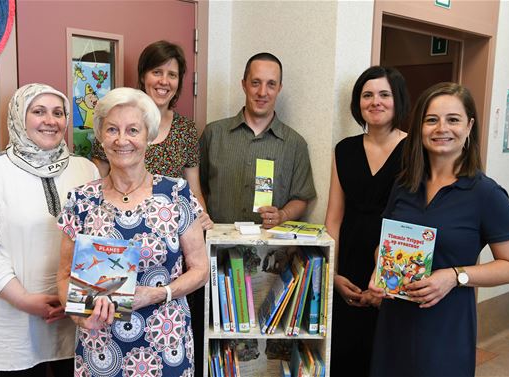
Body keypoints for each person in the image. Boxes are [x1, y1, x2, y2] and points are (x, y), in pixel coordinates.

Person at [368, 82, 509, 377]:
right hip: (394, 323)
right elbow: (385, 244)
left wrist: (454, 276)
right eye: (432, 120)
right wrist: (378, 269)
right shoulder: (404, 184)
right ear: (420, 128)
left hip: (445, 328)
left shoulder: (486, 194)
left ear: (469, 126)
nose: (442, 128)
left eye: (453, 119)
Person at [57, 87, 209, 377]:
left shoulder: (176, 193)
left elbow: (200, 270)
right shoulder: (81, 199)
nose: (122, 139)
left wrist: (156, 294)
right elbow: (63, 276)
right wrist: (78, 315)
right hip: (100, 348)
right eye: (112, 129)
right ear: (101, 136)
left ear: (148, 136)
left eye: (133, 130)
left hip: (165, 342)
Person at [0, 84, 100, 376]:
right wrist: (25, 301)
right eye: (38, 112)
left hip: (75, 316)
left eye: (58, 112)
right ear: (19, 117)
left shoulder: (86, 169)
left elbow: (96, 240)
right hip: (13, 319)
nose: (50, 120)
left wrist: (75, 298)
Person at [324, 66, 410, 376]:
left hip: (393, 266)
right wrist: (332, 273)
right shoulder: (344, 149)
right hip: (348, 262)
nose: (375, 101)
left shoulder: (415, 151)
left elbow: (415, 223)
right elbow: (333, 217)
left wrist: (386, 278)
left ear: (397, 100)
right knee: (345, 352)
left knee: (385, 355)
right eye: (367, 95)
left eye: (384, 94)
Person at [91, 40, 213, 230]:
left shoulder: (186, 129)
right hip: (118, 227)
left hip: (169, 230)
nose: (164, 81)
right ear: (142, 76)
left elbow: (194, 190)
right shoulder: (114, 124)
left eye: (172, 75)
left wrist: (202, 219)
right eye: (156, 72)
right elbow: (97, 183)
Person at [200, 52, 316, 228]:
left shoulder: (295, 144)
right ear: (244, 85)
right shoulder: (213, 134)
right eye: (255, 83)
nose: (262, 92)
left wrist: (282, 215)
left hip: (271, 250)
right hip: (216, 247)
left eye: (271, 84)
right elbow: (197, 187)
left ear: (279, 88)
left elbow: (301, 198)